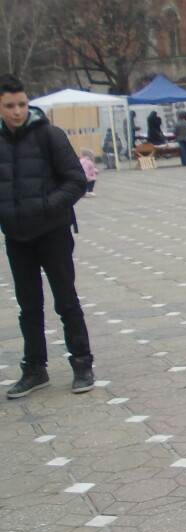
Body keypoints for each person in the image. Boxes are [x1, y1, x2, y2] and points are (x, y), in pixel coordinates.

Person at [0, 73, 94, 398]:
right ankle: (35, 368)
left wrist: (44, 206)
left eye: (22, 104)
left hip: (52, 231)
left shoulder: (48, 135)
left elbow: (76, 181)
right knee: (28, 305)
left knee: (65, 300)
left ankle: (82, 362)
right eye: (10, 105)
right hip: (17, 236)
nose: (17, 111)